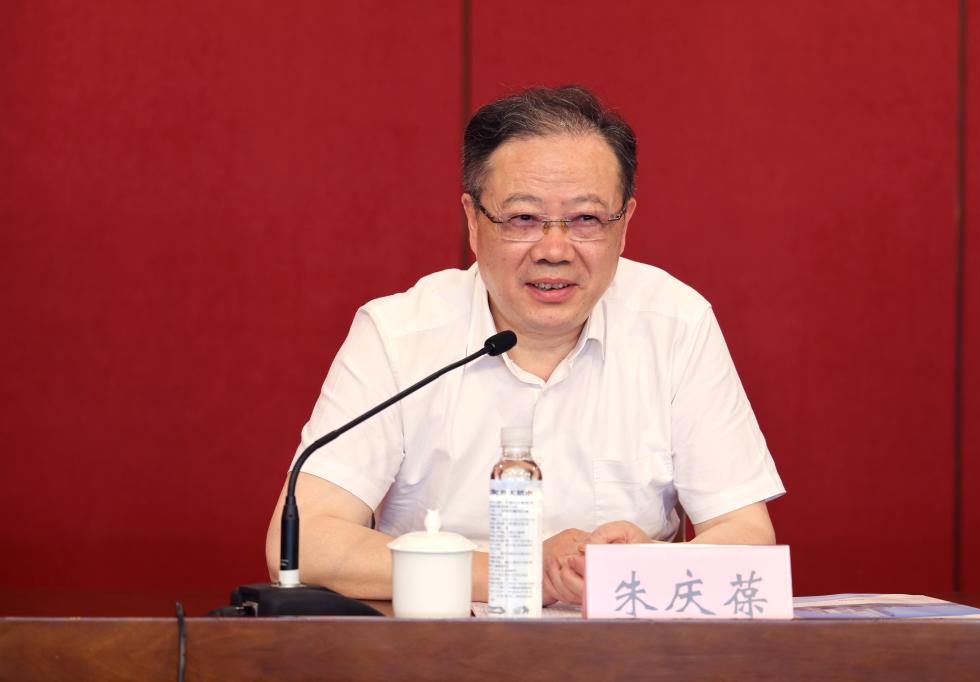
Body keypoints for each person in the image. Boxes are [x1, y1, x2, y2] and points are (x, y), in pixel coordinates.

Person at [265, 85, 784, 606]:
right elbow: (304, 541)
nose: (554, 250)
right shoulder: (399, 336)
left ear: (624, 225)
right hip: (442, 645)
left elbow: (747, 537)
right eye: (522, 219)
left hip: (621, 645)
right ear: (473, 221)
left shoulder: (675, 325)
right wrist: (518, 572)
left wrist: (643, 565)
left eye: (586, 219)